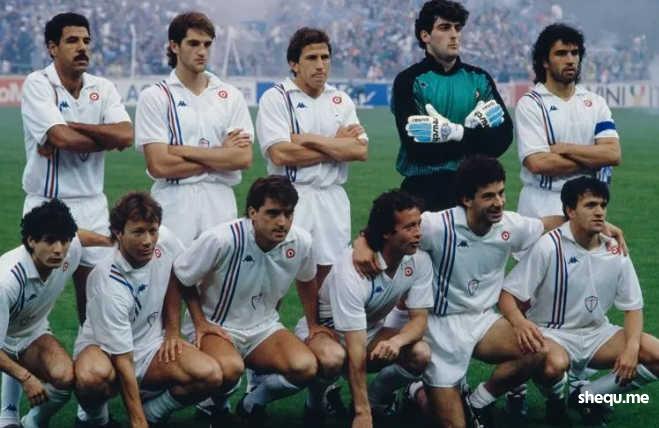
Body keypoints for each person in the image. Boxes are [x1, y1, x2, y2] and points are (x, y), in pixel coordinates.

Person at [353, 156, 618, 427]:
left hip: (483, 321)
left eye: (501, 193)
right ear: (467, 199)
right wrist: (362, 242)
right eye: (489, 196)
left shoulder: (509, 226)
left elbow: (547, 224)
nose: (499, 202)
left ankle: (478, 400)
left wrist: (596, 224)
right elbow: (389, 226)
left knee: (538, 348)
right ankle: (410, 392)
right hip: (440, 327)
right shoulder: (436, 225)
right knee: (453, 424)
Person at [12, 13, 132, 424]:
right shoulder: (38, 84)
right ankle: (9, 411)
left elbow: (126, 135)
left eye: (86, 41)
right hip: (46, 205)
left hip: (92, 204)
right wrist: (100, 135)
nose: (82, 48)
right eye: (72, 41)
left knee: (94, 302)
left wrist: (71, 128)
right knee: (26, 309)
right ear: (52, 47)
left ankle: (91, 399)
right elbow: (62, 138)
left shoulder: (103, 87)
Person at [500, 177, 659, 426]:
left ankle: (588, 396)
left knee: (656, 354)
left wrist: (631, 347)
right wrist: (520, 324)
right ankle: (555, 402)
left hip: (597, 334)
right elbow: (508, 294)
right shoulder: (548, 246)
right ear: (570, 211)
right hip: (553, 334)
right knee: (554, 366)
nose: (599, 212)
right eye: (590, 205)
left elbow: (633, 307)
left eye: (603, 205)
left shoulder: (615, 249)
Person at [166, 176, 318, 427]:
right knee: (230, 369)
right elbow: (180, 275)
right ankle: (216, 408)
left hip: (264, 328)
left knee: (305, 367)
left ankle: (252, 402)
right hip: (217, 326)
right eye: (273, 213)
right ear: (252, 213)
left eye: (288, 213)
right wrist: (198, 322)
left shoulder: (301, 241)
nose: (282, 222)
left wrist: (313, 325)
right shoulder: (222, 239)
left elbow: (307, 279)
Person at [73, 192, 223, 428]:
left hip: (151, 346)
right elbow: (123, 359)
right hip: (106, 351)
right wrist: (137, 421)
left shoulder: (166, 240)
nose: (148, 241)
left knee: (210, 374)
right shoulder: (107, 282)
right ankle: (94, 418)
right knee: (92, 376)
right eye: (138, 232)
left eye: (152, 231)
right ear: (118, 233)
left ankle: (154, 413)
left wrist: (176, 329)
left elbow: (180, 275)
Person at [295, 190, 433, 428]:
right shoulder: (352, 271)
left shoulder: (419, 260)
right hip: (326, 332)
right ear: (387, 232)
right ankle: (315, 404)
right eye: (410, 227)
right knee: (333, 358)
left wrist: (396, 342)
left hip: (368, 330)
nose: (419, 232)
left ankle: (375, 399)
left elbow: (419, 320)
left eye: (419, 224)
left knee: (420, 353)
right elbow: (355, 348)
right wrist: (362, 414)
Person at [256, 26, 368, 290]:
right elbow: (280, 153)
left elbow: (359, 151)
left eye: (325, 57)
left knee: (329, 279)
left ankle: (316, 318)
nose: (320, 65)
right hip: (290, 197)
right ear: (294, 64)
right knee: (276, 278)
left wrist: (307, 139)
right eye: (312, 58)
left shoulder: (340, 99)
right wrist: (337, 144)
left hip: (331, 197)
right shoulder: (276, 98)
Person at [135, 11, 253, 247]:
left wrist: (180, 150)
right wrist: (220, 155)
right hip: (174, 201)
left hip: (219, 202)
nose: (202, 51)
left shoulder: (230, 95)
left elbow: (242, 158)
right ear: (174, 46)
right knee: (172, 269)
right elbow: (159, 165)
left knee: (218, 270)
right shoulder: (155, 96)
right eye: (193, 43)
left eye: (207, 44)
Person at [392, 0, 512, 211]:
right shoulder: (408, 80)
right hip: (424, 191)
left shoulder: (480, 78)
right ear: (425, 35)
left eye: (457, 28)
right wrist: (476, 138)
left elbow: (503, 138)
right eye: (445, 27)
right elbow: (417, 149)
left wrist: (454, 133)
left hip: (475, 190)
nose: (454, 34)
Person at [0, 200, 111, 428]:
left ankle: (31, 423)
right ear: (31, 241)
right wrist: (26, 378)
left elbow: (80, 237)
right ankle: (7, 416)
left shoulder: (70, 249)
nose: (59, 249)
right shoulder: (7, 282)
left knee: (64, 377)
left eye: (64, 240)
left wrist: (112, 242)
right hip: (6, 338)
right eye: (50, 241)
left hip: (32, 332)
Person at [516, 24, 621, 218]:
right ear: (545, 61)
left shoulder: (596, 102)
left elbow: (613, 154)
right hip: (542, 204)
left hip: (586, 204)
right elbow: (538, 163)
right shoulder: (531, 104)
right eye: (561, 53)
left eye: (575, 53)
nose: (570, 60)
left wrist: (565, 148)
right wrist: (594, 160)